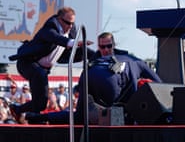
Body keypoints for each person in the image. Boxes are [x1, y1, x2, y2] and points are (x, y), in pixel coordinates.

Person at [25, 32, 162, 124]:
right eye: (102, 47)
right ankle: (41, 117)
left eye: (108, 46)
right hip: (97, 80)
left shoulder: (133, 60)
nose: (106, 50)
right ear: (99, 46)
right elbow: (159, 83)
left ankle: (40, 117)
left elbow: (157, 82)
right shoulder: (132, 61)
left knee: (80, 116)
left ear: (114, 45)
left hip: (95, 78)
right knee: (113, 115)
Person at [8, 7, 95, 123]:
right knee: (40, 74)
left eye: (72, 23)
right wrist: (73, 42)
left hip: (42, 69)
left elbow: (74, 49)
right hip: (27, 64)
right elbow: (57, 39)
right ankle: (31, 117)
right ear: (59, 19)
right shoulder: (49, 27)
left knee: (41, 103)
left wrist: (96, 55)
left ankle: (18, 110)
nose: (70, 26)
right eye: (67, 23)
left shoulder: (71, 29)